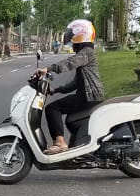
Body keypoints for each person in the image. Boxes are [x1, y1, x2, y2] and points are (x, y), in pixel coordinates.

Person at [34, 19, 105, 155]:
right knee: (70, 119)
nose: (70, 39)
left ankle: (60, 143)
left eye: (72, 35)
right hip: (88, 94)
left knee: (52, 108)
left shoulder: (87, 52)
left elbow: (71, 63)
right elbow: (75, 83)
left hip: (90, 95)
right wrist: (56, 90)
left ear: (81, 35)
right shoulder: (85, 53)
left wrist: (49, 69)